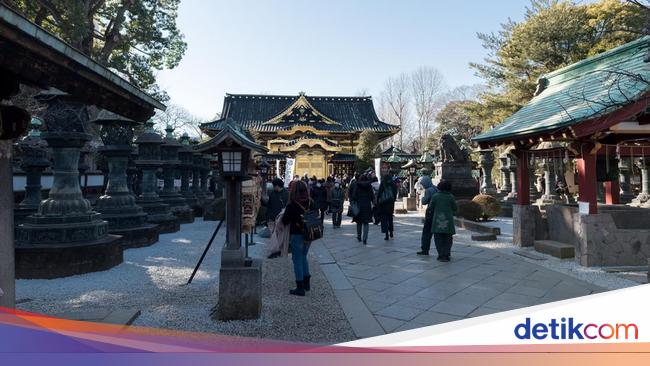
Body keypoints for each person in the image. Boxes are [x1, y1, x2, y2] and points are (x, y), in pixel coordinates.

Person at [282, 180, 314, 296]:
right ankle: (307, 283)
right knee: (304, 256)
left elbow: (285, 221)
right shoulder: (311, 202)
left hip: (297, 234)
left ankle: (300, 287)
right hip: (310, 234)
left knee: (297, 259)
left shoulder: (292, 205)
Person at [420, 180, 457, 261]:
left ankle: (441, 255)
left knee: (438, 238)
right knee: (448, 238)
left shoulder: (436, 196)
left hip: (438, 219)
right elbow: (455, 208)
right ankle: (446, 254)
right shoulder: (451, 196)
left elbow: (431, 207)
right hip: (448, 219)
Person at [417, 176, 439, 256]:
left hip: (430, 212)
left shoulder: (428, 190)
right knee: (438, 232)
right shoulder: (436, 188)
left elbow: (424, 201)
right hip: (438, 212)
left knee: (426, 232)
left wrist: (422, 196)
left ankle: (425, 249)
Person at [351, 174, 374, 245]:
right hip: (367, 205)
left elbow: (354, 196)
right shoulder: (369, 186)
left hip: (359, 205)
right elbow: (372, 196)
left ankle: (359, 236)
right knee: (366, 223)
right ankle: (365, 239)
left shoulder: (357, 185)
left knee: (359, 222)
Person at [376, 174, 397, 240]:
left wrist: (378, 200)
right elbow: (395, 192)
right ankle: (391, 232)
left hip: (384, 203)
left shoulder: (383, 183)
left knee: (384, 219)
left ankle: (386, 234)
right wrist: (393, 199)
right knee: (390, 218)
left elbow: (379, 193)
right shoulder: (393, 183)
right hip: (391, 203)